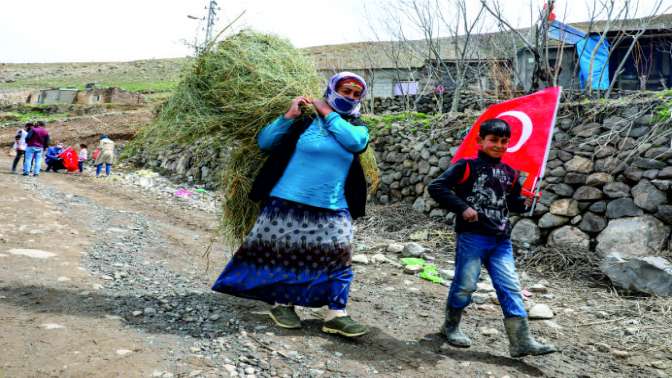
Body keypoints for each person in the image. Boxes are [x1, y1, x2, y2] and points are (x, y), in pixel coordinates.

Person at [212, 72, 370, 337]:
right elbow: (266, 142)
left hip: (334, 206)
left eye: (356, 94)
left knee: (340, 258)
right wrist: (289, 116)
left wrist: (327, 111)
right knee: (286, 255)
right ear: (332, 89)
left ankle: (335, 314)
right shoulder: (305, 120)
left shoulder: (357, 127)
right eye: (345, 90)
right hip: (287, 201)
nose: (350, 97)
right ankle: (283, 305)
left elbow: (356, 143)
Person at [428, 119, 557, 358]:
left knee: (510, 287)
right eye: (493, 140)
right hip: (472, 237)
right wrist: (462, 207)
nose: (498, 145)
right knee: (466, 285)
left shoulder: (510, 172)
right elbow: (437, 187)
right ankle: (450, 326)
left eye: (504, 141)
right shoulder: (465, 166)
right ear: (480, 141)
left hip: (501, 239)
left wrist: (526, 201)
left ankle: (521, 340)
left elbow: (511, 202)